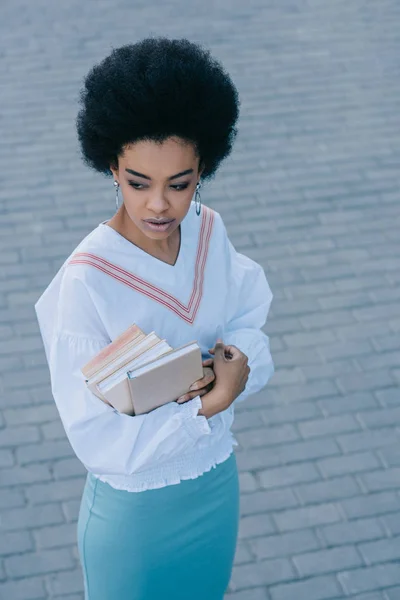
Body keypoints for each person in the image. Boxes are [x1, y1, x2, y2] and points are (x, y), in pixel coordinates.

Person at [35, 37, 274, 600]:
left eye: (180, 183)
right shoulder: (85, 279)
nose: (159, 205)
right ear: (111, 166)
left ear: (204, 169)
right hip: (134, 518)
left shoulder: (210, 233)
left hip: (215, 488)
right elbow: (97, 439)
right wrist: (209, 405)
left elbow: (247, 316)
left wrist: (236, 363)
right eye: (138, 182)